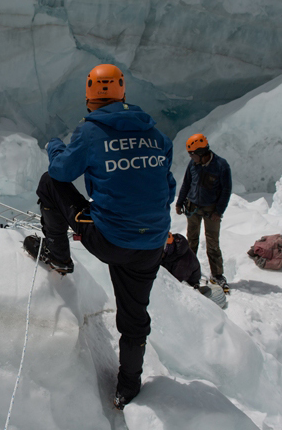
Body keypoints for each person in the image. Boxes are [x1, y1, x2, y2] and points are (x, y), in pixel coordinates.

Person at [23, 63, 176, 410]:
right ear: (123, 91)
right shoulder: (155, 136)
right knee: (135, 316)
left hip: (109, 238)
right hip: (151, 243)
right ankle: (128, 388)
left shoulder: (91, 132)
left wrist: (54, 145)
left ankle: (58, 255)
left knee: (51, 184)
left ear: (90, 96)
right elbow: (167, 187)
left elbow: (62, 171)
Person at [175, 134, 232, 292]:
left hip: (211, 209)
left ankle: (217, 274)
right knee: (191, 241)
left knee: (212, 242)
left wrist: (219, 211)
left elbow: (226, 190)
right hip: (193, 207)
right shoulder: (193, 164)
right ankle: (190, 271)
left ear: (201, 152)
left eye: (192, 154)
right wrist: (180, 203)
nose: (191, 157)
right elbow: (186, 183)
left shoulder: (221, 165)